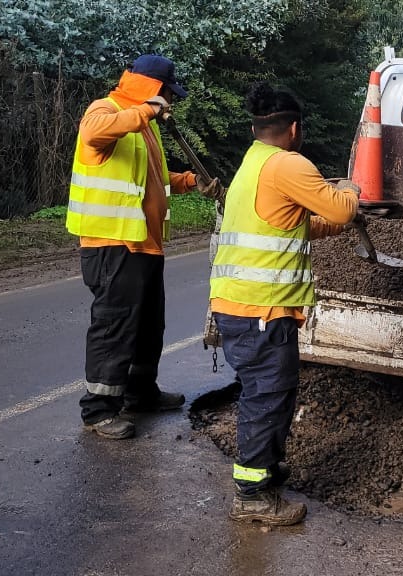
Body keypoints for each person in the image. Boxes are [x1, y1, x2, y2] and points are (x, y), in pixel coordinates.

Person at [210, 82, 359, 525]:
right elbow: (343, 208)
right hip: (261, 308)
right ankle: (253, 495)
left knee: (273, 394)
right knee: (266, 398)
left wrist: (336, 225)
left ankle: (265, 469)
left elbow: (289, 226)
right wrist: (350, 190)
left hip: (245, 306)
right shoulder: (288, 164)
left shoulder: (254, 162)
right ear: (294, 129)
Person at [66, 54, 222, 440]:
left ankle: (140, 392)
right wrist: (147, 109)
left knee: (149, 327)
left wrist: (187, 181)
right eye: (167, 92)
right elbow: (93, 133)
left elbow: (149, 175)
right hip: (113, 245)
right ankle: (99, 411)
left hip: (144, 246)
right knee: (114, 327)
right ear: (153, 88)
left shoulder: (141, 126)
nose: (170, 100)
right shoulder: (107, 110)